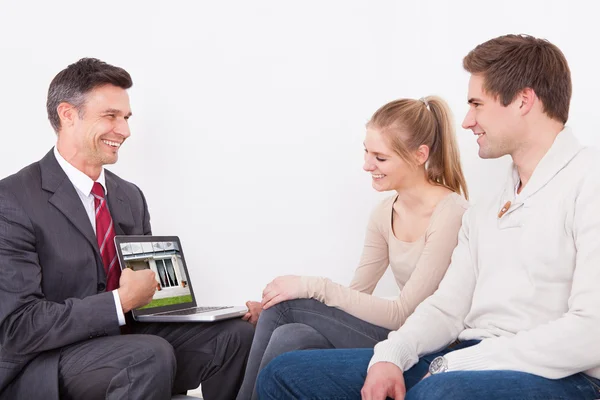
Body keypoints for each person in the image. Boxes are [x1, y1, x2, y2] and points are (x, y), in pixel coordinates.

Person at [256, 34, 600, 400]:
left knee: (438, 394)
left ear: (522, 100)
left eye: (476, 104)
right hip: (467, 356)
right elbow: (447, 309)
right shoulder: (487, 206)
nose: (467, 121)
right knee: (285, 374)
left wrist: (459, 365)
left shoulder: (588, 179)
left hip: (565, 376)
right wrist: (390, 355)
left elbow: (591, 331)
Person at [0, 58, 254, 400]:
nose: (125, 130)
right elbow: (18, 328)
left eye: (126, 118)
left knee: (235, 336)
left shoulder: (128, 196)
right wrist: (119, 301)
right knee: (147, 355)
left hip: (127, 340)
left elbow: (147, 302)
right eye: (111, 116)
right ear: (67, 114)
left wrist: (215, 314)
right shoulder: (12, 200)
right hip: (47, 361)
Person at [236, 96, 469, 399]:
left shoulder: (451, 213)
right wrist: (284, 312)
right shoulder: (385, 212)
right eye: (366, 152)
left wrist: (310, 289)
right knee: (290, 331)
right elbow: (357, 296)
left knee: (287, 305)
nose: (367, 165)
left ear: (419, 155)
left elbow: (404, 314)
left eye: (380, 158)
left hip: (429, 340)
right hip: (397, 332)